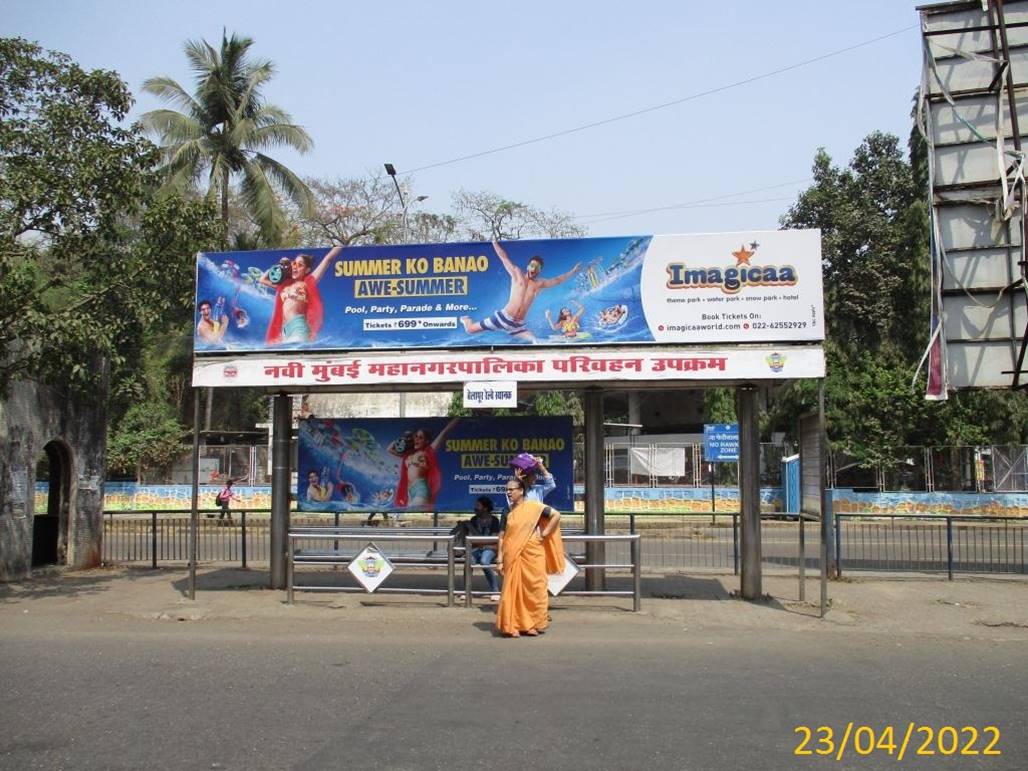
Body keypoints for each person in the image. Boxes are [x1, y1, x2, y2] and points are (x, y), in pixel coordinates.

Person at [461, 240, 580, 342]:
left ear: (539, 271)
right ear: (528, 266)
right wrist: (494, 242)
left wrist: (572, 271)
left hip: (518, 326)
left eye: (537, 268)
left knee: (535, 341)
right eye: (532, 265)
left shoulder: (539, 284)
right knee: (470, 330)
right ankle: (467, 320)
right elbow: (504, 258)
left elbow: (557, 280)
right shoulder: (517, 274)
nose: (533, 269)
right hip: (502, 319)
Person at [496, 478, 564, 637]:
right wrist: (499, 559)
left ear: (521, 491)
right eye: (507, 489)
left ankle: (532, 624)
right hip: (512, 554)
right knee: (513, 590)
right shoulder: (507, 511)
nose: (508, 492)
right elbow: (501, 537)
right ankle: (512, 625)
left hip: (533, 553)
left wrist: (545, 535)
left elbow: (556, 515)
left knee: (535, 588)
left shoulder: (534, 507)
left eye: (512, 489)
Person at [262, 246, 343, 344]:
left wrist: (342, 244)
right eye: (294, 264)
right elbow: (263, 279)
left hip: (298, 325)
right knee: (285, 355)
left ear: (307, 270)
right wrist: (280, 265)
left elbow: (328, 259)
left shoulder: (306, 283)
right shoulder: (284, 286)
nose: (295, 266)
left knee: (296, 351)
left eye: (300, 265)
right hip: (285, 329)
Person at [390, 418, 459, 509]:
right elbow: (390, 449)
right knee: (412, 515)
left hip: (421, 488)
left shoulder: (427, 452)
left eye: (420, 437)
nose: (417, 439)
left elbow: (444, 432)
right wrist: (404, 439)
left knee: (414, 511)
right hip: (410, 491)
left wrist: (457, 419)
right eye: (416, 436)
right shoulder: (407, 455)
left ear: (426, 441)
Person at [451, 496, 502, 599]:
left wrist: (480, 541)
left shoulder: (494, 520)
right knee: (469, 561)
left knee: (484, 561)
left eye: (478, 506)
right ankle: (467, 590)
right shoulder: (474, 520)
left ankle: (495, 591)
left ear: (485, 508)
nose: (475, 508)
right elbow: (471, 538)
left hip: (491, 548)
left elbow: (493, 539)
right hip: (477, 548)